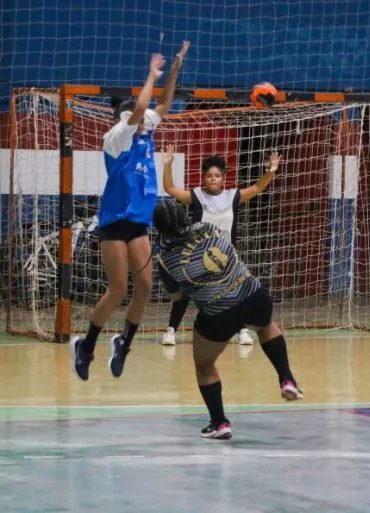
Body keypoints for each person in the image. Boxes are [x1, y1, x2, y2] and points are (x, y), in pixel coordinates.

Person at [70, 42, 190, 381]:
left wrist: (176, 68)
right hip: (113, 221)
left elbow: (163, 104)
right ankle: (87, 346)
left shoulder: (145, 128)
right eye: (134, 119)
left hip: (137, 221)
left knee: (147, 286)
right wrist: (151, 74)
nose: (140, 121)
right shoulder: (116, 136)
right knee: (118, 288)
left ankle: (124, 342)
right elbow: (141, 108)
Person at [153, 199, 302, 439]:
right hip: (253, 294)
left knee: (204, 365)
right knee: (265, 326)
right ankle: (287, 378)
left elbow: (177, 295)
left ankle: (220, 423)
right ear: (185, 217)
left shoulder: (164, 258)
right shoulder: (208, 227)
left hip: (219, 314)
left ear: (158, 228)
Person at [160, 145, 281, 345]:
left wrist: (270, 172)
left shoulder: (233, 196)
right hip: (198, 257)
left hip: (226, 258)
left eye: (217, 175)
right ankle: (171, 331)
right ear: (203, 178)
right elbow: (170, 189)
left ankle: (242, 330)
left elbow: (258, 188)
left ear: (223, 178)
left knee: (238, 291)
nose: (213, 178)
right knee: (186, 293)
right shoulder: (196, 196)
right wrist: (167, 165)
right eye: (209, 175)